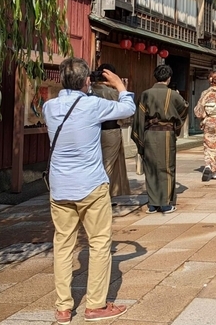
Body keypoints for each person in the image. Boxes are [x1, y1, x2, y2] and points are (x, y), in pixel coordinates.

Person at [43, 57, 136, 325]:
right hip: (91, 185)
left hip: (60, 187)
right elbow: (127, 108)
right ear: (87, 81)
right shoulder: (92, 104)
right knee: (98, 243)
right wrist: (119, 84)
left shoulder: (49, 107)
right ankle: (95, 305)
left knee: (62, 244)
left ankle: (63, 309)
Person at [132, 64, 188, 214]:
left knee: (150, 168)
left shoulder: (145, 94)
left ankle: (152, 203)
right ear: (169, 78)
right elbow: (184, 109)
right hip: (167, 134)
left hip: (149, 133)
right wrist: (176, 127)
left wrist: (140, 139)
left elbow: (139, 118)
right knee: (167, 167)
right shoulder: (174, 95)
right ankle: (165, 203)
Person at [89, 63, 131, 197]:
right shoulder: (112, 92)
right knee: (108, 164)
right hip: (111, 131)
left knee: (96, 162)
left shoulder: (89, 92)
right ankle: (102, 193)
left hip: (92, 131)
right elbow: (126, 113)